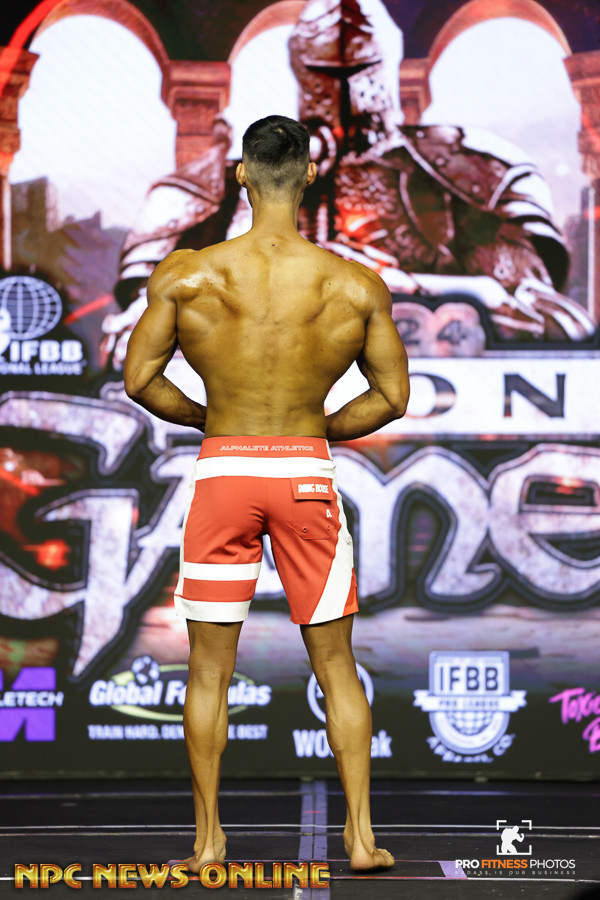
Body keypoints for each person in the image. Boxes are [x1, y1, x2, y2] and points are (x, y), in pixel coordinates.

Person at [124, 114, 409, 873]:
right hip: (305, 473)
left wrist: (211, 418)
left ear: (241, 174)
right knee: (337, 664)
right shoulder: (353, 284)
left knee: (208, 671)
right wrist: (318, 427)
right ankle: (361, 841)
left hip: (225, 471)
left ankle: (208, 843)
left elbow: (139, 380)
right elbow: (393, 397)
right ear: (310, 174)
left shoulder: (189, 275)